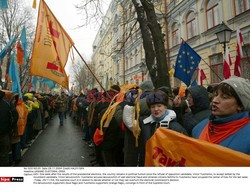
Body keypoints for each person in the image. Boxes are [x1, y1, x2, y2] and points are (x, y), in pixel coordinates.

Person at [192, 77, 250, 155]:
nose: (215, 100)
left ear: (240, 105)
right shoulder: (199, 128)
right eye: (215, 95)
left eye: (224, 97)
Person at [138, 90, 188, 166]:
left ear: (165, 106)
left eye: (159, 106)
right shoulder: (144, 124)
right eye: (152, 107)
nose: (156, 109)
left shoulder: (175, 127)